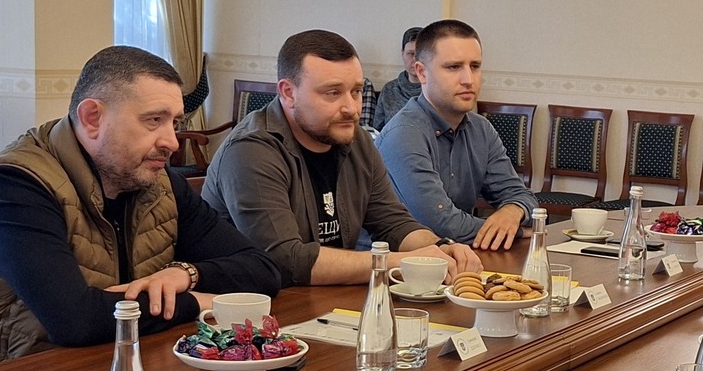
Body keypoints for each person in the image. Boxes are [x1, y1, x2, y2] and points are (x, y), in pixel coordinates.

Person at [0, 47, 283, 369]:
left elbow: (263, 270)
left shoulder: (158, 182)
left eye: (175, 122)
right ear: (92, 118)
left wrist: (185, 276)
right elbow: (75, 320)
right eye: (153, 120)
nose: (172, 142)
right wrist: (200, 301)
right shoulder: (12, 189)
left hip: (110, 361)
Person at [203, 29, 484, 286]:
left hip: (327, 298)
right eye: (333, 93)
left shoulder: (355, 139)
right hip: (247, 307)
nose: (351, 108)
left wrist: (441, 248)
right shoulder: (251, 150)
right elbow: (286, 261)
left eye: (356, 91)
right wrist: (398, 261)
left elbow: (393, 223)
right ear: (288, 93)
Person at [378, 20, 539, 252]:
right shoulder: (403, 134)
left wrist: (513, 211)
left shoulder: (481, 129)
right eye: (453, 67)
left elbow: (521, 196)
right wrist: (518, 232)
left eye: (475, 66)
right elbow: (442, 224)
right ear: (421, 72)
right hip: (398, 265)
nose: (468, 79)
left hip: (458, 258)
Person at [369, 27, 424, 131]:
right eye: (411, 54)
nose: (415, 60)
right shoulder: (389, 90)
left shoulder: (437, 90)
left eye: (419, 54)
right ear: (402, 54)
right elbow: (377, 130)